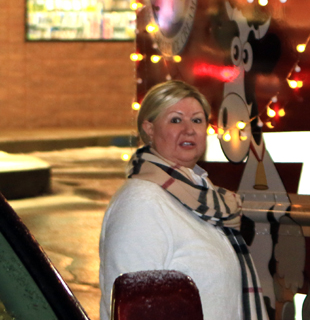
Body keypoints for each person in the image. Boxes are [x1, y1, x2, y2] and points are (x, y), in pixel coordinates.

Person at [99, 80, 265, 320]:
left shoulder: (203, 196)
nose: (189, 130)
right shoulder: (142, 202)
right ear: (149, 128)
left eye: (197, 120)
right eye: (176, 120)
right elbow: (134, 310)